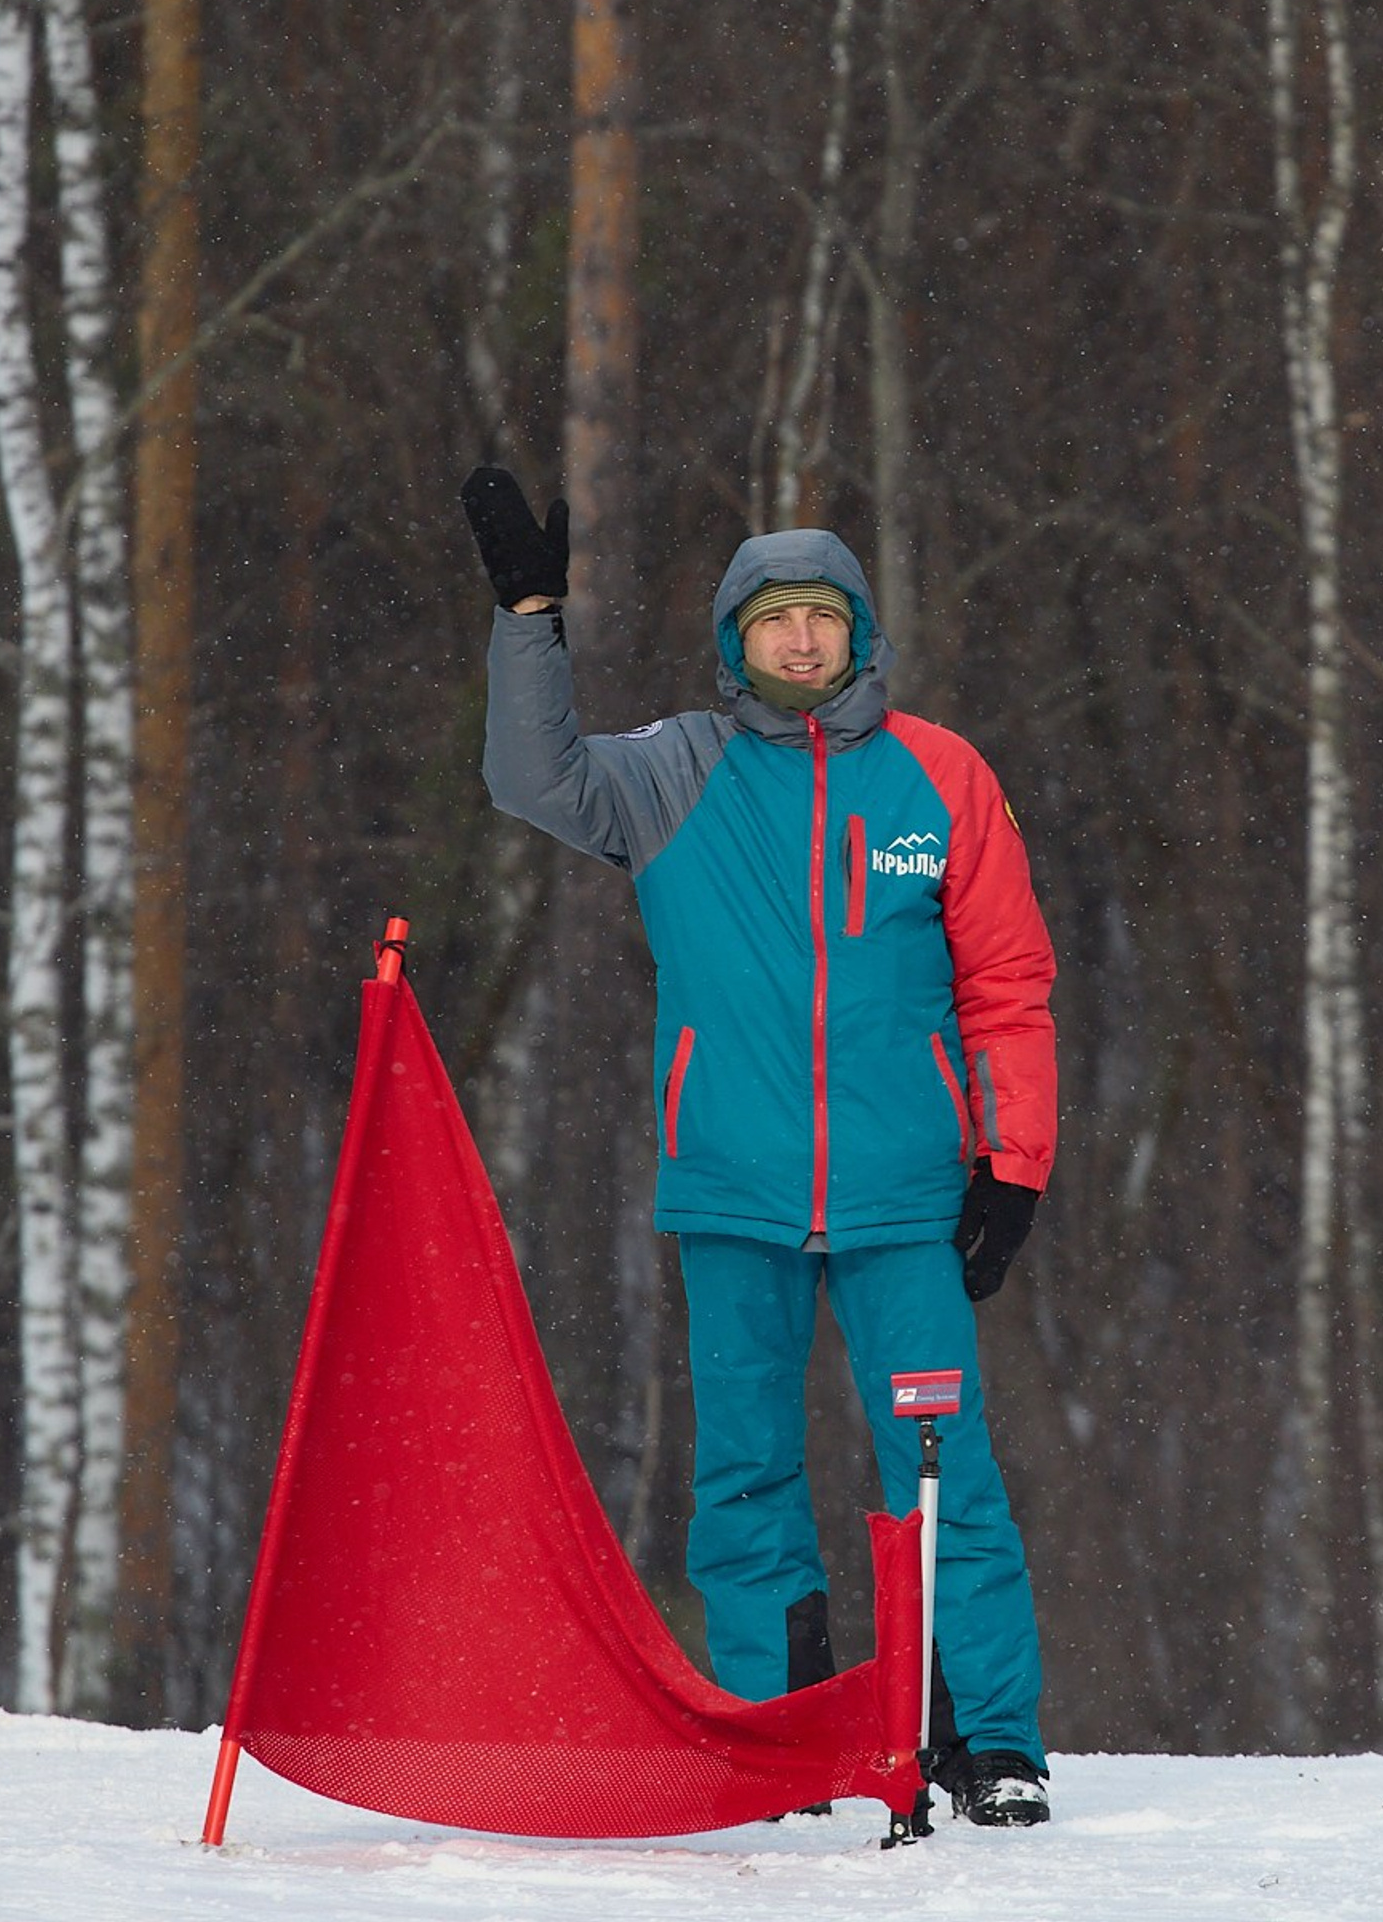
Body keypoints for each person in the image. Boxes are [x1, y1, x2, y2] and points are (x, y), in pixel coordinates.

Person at [463, 468, 1058, 1828]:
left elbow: (1010, 985)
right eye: (774, 619)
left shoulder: (942, 776)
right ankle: (781, 1751)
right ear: (736, 642)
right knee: (743, 1478)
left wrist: (1012, 1169)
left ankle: (989, 1743)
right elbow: (528, 776)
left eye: (824, 618)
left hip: (910, 1198)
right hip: (734, 1194)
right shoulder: (677, 771)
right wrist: (529, 619)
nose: (801, 641)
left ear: (861, 636)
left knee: (942, 1473)